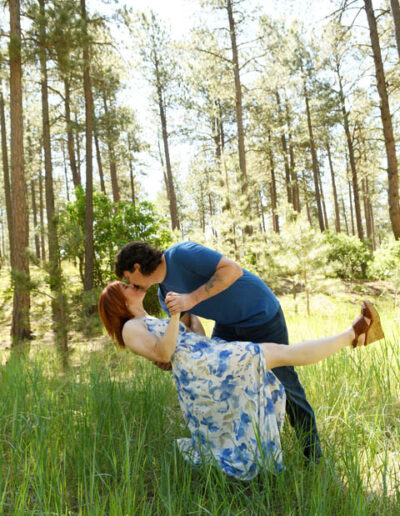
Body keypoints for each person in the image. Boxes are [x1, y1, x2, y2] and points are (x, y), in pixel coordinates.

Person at [98, 280, 384, 480]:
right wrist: (174, 318)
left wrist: (188, 314)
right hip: (207, 370)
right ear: (118, 302)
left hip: (211, 358)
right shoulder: (130, 329)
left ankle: (355, 334)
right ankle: (355, 333)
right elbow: (164, 351)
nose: (130, 286)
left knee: (281, 355)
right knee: (282, 354)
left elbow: (195, 340)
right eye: (124, 287)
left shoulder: (149, 319)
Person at [115, 241, 323, 461]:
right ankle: (239, 453)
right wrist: (171, 358)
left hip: (261, 315)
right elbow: (189, 332)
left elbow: (232, 270)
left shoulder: (181, 255)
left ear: (137, 267)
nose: (131, 283)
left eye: (129, 277)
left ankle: (313, 455)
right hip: (227, 325)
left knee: (286, 384)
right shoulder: (164, 293)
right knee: (217, 380)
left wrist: (191, 299)